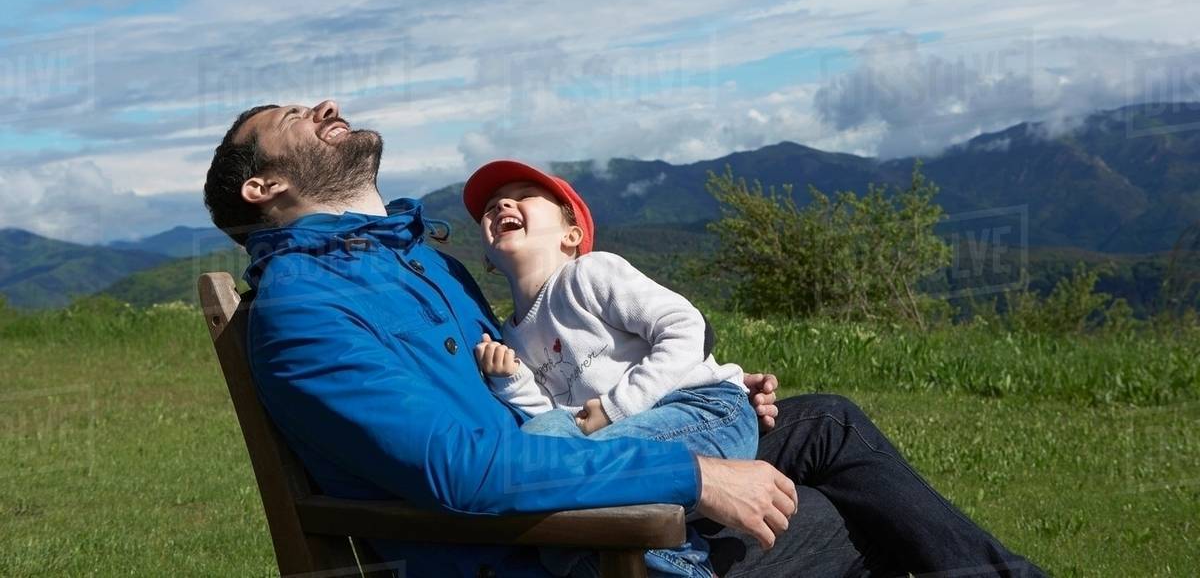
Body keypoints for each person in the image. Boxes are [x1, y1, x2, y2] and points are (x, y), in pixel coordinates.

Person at [203, 99, 1048, 577]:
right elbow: (465, 471)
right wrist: (694, 470)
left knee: (823, 422)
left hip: (572, 497)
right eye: (290, 117)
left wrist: (695, 409)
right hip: (551, 554)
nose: (324, 108)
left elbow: (537, 392)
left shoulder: (424, 267)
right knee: (838, 516)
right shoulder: (306, 313)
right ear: (263, 182)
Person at [466, 160, 759, 577]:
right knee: (557, 527)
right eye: (491, 206)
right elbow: (556, 421)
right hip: (626, 444)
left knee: (551, 477)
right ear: (488, 259)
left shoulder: (588, 274)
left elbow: (685, 328)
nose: (502, 204)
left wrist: (614, 408)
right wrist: (512, 382)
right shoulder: (510, 336)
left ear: (572, 235)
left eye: (523, 195)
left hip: (705, 410)